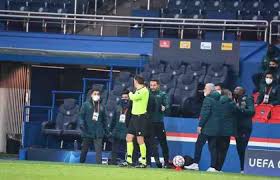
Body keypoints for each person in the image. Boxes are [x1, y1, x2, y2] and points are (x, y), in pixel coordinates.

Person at [120, 75, 149, 168]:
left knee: (140, 139)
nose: (133, 82)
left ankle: (143, 161)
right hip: (134, 117)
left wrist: (129, 93)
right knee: (128, 137)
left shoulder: (144, 90)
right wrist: (131, 93)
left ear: (136, 81)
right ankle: (129, 160)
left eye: (134, 81)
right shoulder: (137, 91)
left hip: (140, 117)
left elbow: (133, 98)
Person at [79, 88, 106, 164]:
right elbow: (81, 116)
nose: (96, 95)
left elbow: (104, 120)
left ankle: (99, 166)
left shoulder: (101, 106)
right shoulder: (85, 105)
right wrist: (81, 124)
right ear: (91, 95)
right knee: (84, 150)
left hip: (98, 132)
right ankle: (81, 164)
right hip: (87, 130)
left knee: (98, 151)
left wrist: (106, 131)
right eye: (95, 94)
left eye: (98, 94)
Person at [148, 79, 170, 168]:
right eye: (151, 85)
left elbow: (167, 105)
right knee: (150, 144)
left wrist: (165, 107)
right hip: (149, 123)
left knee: (163, 143)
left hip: (159, 123)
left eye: (154, 85)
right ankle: (153, 162)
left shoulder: (162, 95)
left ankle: (166, 162)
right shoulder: (147, 94)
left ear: (158, 85)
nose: (152, 87)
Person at [233, 86, 255, 173]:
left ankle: (244, 168)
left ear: (242, 91)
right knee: (239, 148)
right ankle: (242, 168)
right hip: (237, 127)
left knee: (243, 147)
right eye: (235, 89)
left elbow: (251, 111)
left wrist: (238, 109)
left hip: (245, 127)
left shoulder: (248, 98)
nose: (235, 91)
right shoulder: (233, 99)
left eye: (237, 89)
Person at [215, 89, 237, 171]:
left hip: (216, 130)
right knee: (223, 151)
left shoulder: (216, 102)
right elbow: (237, 112)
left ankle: (213, 167)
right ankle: (219, 168)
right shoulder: (231, 104)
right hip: (226, 132)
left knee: (216, 150)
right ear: (228, 95)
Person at [110, 90, 131, 165]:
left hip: (127, 130)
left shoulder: (132, 108)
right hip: (117, 130)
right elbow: (113, 120)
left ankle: (127, 162)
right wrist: (111, 130)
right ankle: (113, 162)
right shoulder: (118, 107)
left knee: (128, 148)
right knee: (114, 148)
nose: (124, 99)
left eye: (126, 97)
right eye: (123, 97)